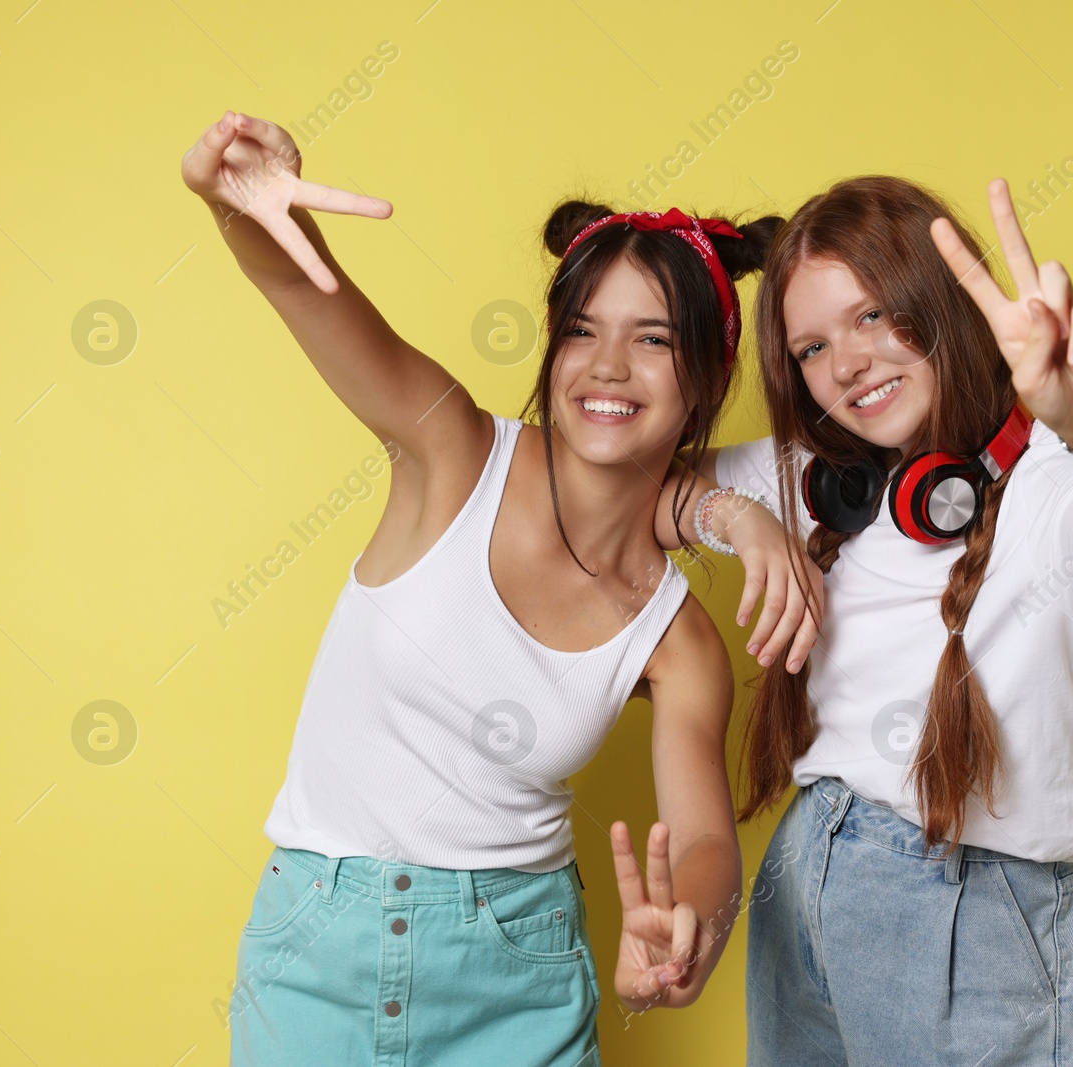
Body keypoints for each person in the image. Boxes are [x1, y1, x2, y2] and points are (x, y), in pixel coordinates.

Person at [179, 109, 815, 1066]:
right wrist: (243, 207)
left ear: (706, 375)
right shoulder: (451, 449)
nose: (608, 365)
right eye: (583, 332)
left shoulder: (676, 639)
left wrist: (693, 926)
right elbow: (317, 299)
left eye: (651, 339)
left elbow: (704, 842)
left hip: (518, 963)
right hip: (320, 941)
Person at [661, 174, 1073, 1065]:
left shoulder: (1065, 484)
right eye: (810, 348)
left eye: (873, 315)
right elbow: (642, 488)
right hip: (811, 873)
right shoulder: (830, 477)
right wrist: (743, 518)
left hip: (978, 911)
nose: (845, 363)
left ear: (942, 303)